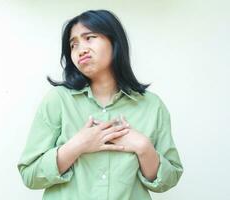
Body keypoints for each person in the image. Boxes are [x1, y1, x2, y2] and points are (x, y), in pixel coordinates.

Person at [17, 9, 183, 200]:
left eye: (90, 38)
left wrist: (144, 147)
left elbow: (169, 180)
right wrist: (77, 145)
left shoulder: (152, 106)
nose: (81, 49)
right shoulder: (58, 100)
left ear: (115, 42)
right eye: (73, 44)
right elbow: (29, 175)